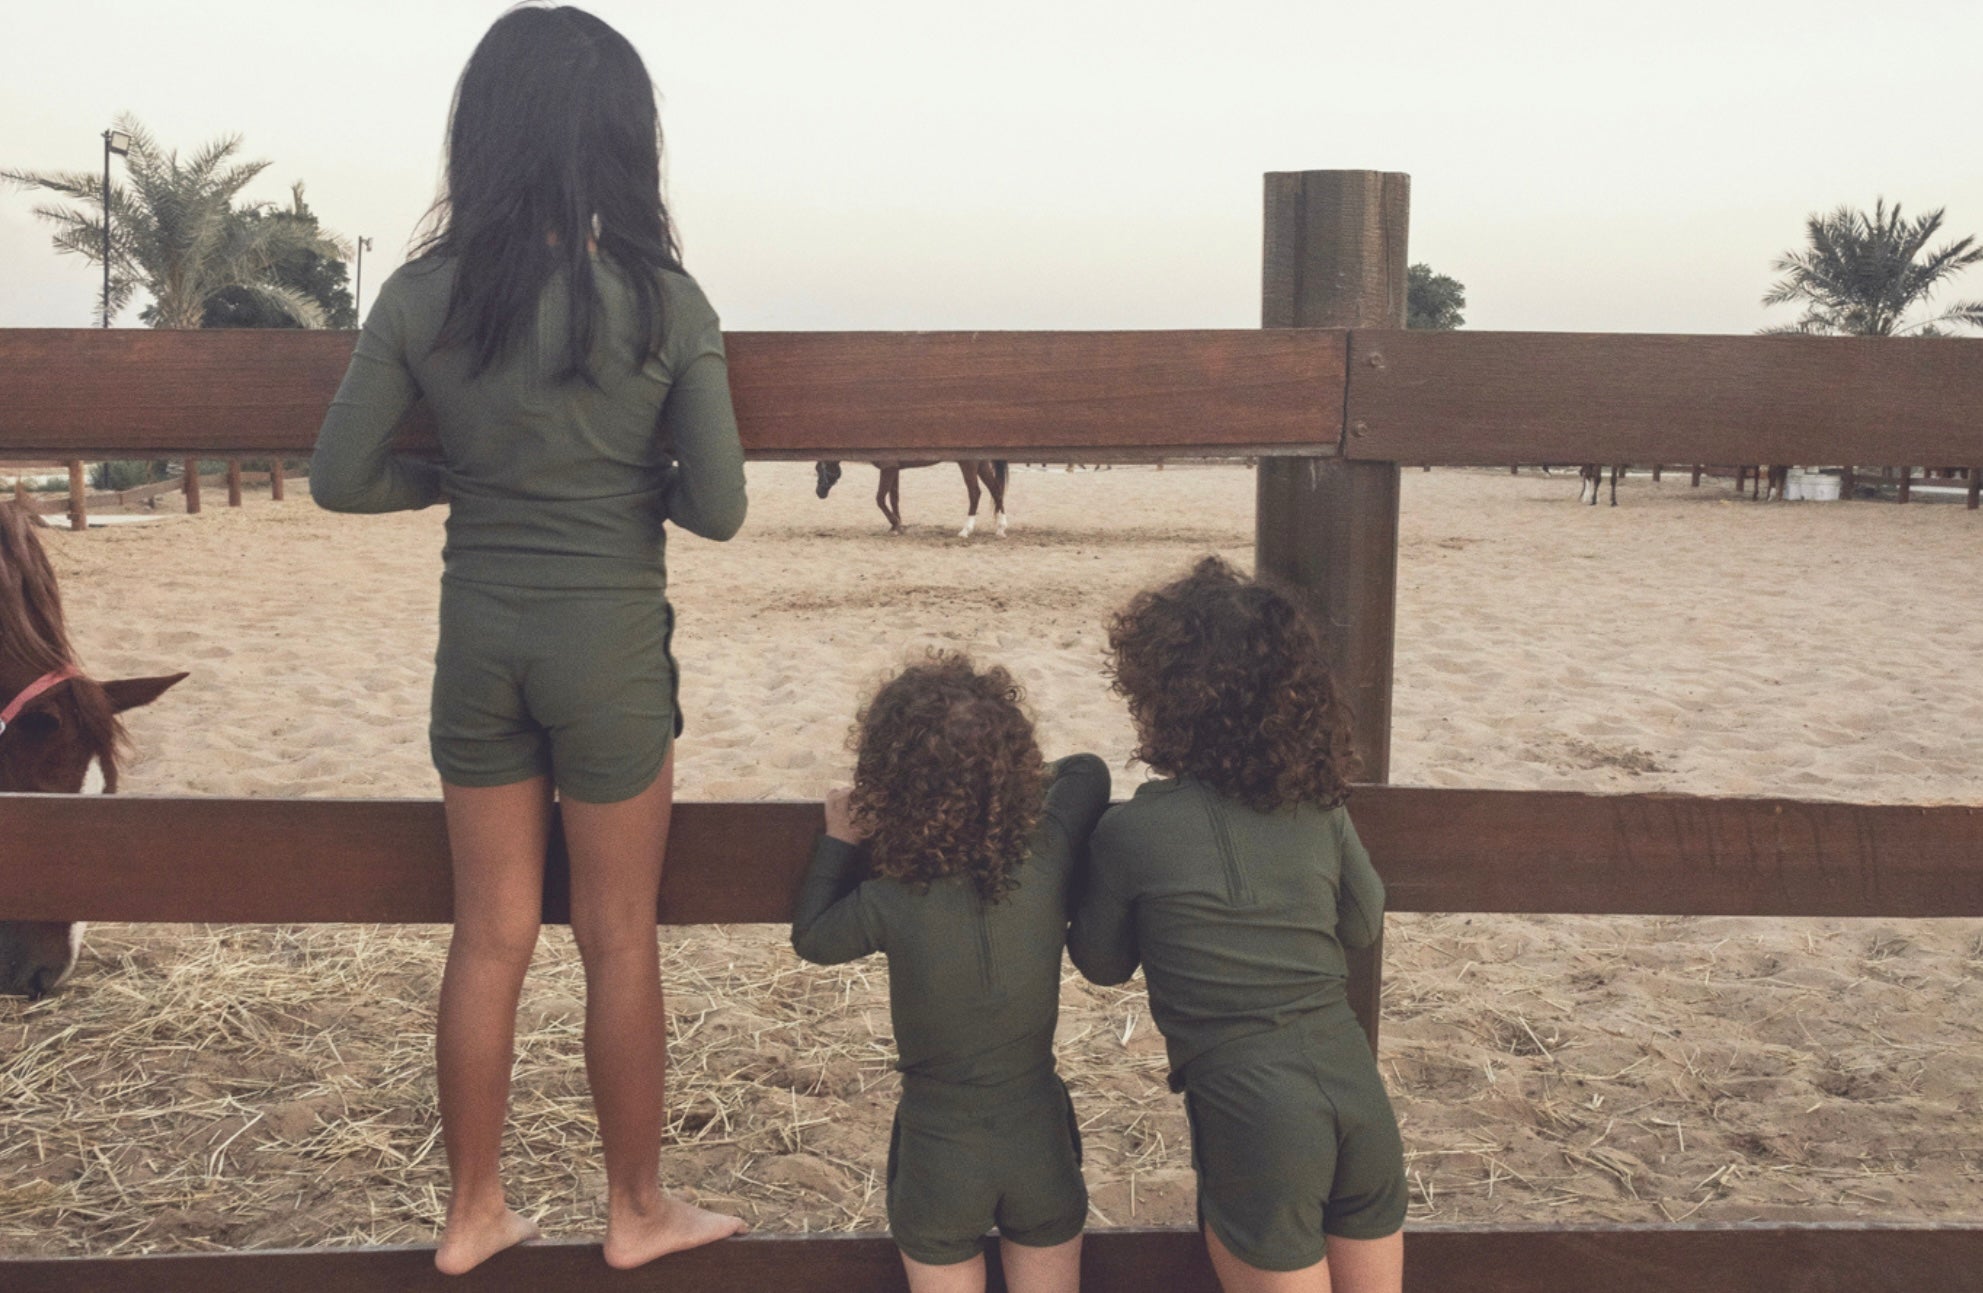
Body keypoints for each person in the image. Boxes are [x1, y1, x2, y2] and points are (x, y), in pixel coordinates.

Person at [310, 4, 747, 1274]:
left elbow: (339, 478)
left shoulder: (420, 296)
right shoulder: (667, 301)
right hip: (608, 649)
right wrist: (633, 486)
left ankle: (471, 1213)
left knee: (489, 934)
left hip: (478, 642)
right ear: (625, 141)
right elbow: (720, 508)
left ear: (483, 133)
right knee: (618, 935)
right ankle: (636, 1209)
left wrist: (449, 482)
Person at [1068, 557, 1405, 1293]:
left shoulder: (1133, 831)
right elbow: (1363, 920)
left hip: (1253, 1109)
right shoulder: (1318, 804)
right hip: (1354, 1083)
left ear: (1160, 697)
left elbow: (1101, 961)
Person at [792, 654, 1108, 1293]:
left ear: (888, 786)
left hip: (939, 1155)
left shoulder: (891, 898)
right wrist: (999, 784)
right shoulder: (1045, 853)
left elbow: (814, 938)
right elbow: (1087, 771)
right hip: (1039, 1141)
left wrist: (839, 840)